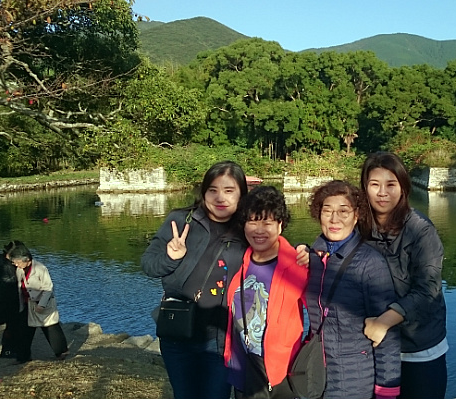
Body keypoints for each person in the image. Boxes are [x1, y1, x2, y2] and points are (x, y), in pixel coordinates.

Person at [141, 161, 309, 399]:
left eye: (229, 190)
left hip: (220, 337)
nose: (220, 198)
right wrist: (170, 258)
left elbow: (273, 248)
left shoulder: (245, 229)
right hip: (178, 331)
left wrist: (305, 252)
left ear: (241, 194)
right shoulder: (181, 221)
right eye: (213, 190)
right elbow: (149, 265)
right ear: (204, 192)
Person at [359, 152, 448, 399]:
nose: (382, 193)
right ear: (365, 188)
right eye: (374, 185)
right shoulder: (358, 227)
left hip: (418, 348)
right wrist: (307, 252)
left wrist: (384, 321)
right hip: (374, 348)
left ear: (403, 188)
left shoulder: (421, 230)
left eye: (391, 184)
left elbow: (428, 289)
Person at [306, 180, 400, 399]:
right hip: (315, 373)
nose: (334, 219)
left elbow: (387, 335)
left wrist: (386, 391)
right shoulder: (314, 257)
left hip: (353, 379)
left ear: (356, 215)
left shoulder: (370, 263)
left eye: (343, 211)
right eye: (327, 211)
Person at [224, 186, 308, 399]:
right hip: (242, 366)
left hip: (280, 372)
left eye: (267, 223)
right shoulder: (239, 261)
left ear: (280, 225)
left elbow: (323, 312)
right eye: (252, 222)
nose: (259, 230)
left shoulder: (298, 265)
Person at [9, 241, 69, 363]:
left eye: (18, 262)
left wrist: (41, 304)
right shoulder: (20, 270)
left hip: (42, 302)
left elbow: (48, 288)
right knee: (24, 330)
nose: (16, 265)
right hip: (28, 303)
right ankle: (23, 357)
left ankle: (61, 352)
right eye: (15, 262)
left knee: (50, 327)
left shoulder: (40, 269)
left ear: (27, 260)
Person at [0, 241, 22, 358]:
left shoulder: (5, 264)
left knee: (12, 325)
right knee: (11, 325)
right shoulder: (4, 266)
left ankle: (10, 349)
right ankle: (7, 350)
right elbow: (8, 283)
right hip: (6, 300)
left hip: (6, 299)